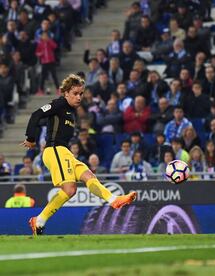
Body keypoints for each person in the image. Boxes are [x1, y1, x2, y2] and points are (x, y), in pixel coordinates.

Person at [22, 74, 137, 235]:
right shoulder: (59, 103)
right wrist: (31, 138)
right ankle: (39, 220)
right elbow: (36, 115)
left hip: (65, 152)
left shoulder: (70, 111)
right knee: (69, 189)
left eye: (81, 93)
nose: (79, 97)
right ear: (66, 93)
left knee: (88, 176)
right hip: (54, 150)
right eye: (75, 93)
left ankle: (114, 200)